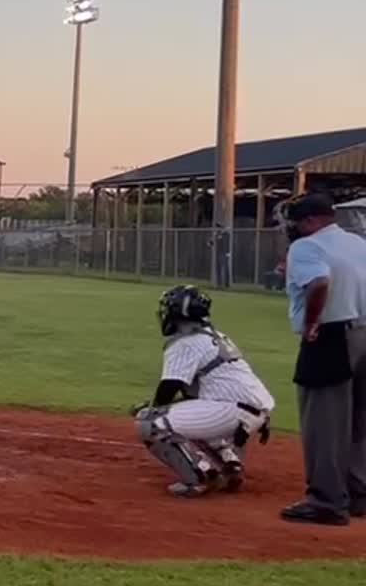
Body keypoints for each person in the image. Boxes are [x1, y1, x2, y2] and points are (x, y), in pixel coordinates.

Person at [133, 285, 275, 497]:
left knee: (150, 423)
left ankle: (199, 477)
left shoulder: (186, 343)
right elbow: (192, 395)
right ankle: (229, 465)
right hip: (252, 409)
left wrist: (152, 409)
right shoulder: (214, 336)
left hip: (230, 409)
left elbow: (169, 387)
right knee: (191, 412)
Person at [279, 193, 366, 525]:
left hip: (332, 335)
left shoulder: (306, 246)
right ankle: (359, 493)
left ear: (311, 221)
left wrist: (312, 321)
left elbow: (319, 282)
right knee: (360, 420)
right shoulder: (357, 243)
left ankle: (327, 501)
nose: (295, 231)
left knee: (324, 422)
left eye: (298, 223)